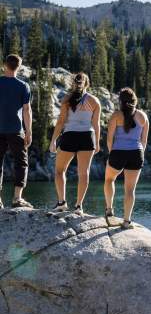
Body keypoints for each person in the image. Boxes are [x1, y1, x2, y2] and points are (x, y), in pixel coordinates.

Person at [49, 72, 101, 214]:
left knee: (60, 171)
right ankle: (78, 206)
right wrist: (97, 142)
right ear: (87, 83)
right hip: (87, 137)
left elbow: (60, 122)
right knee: (84, 173)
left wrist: (53, 140)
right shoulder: (94, 101)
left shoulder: (66, 99)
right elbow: (96, 125)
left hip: (69, 136)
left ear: (73, 83)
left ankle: (61, 203)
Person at [104, 88, 148, 229]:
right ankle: (127, 221)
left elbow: (109, 139)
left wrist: (112, 154)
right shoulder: (143, 116)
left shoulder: (116, 115)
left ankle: (109, 210)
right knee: (130, 189)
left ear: (121, 102)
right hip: (136, 153)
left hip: (118, 152)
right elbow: (144, 141)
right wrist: (140, 154)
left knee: (109, 179)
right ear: (135, 100)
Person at [0, 54, 33, 208]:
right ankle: (17, 198)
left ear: (4, 65)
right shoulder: (23, 86)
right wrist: (29, 132)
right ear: (18, 67)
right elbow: (27, 110)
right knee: (21, 163)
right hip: (16, 130)